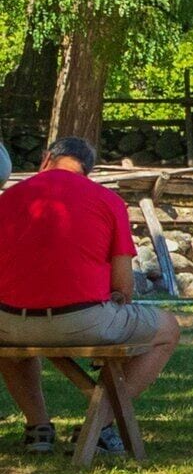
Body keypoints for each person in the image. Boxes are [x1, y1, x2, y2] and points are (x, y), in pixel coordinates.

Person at [0, 136, 180, 457]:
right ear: (88, 170)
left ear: (46, 159)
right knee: (167, 329)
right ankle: (98, 425)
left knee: (12, 346)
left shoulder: (7, 199)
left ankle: (38, 427)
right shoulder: (107, 201)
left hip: (9, 322)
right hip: (83, 320)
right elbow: (124, 287)